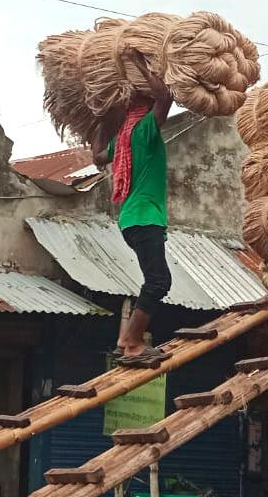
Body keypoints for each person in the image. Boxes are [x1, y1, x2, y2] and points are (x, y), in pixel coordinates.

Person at [92, 49, 173, 366]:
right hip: (145, 217)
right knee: (159, 281)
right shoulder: (145, 131)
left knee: (153, 280)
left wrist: (100, 121)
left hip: (130, 220)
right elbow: (165, 96)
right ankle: (132, 340)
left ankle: (126, 340)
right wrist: (140, 63)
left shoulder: (123, 137)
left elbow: (98, 156)